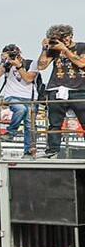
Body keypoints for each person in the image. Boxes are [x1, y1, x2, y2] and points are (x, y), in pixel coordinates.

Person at [38, 24, 85, 158]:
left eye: (63, 38)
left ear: (70, 36)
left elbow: (82, 64)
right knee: (54, 124)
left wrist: (64, 50)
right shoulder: (54, 50)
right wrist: (44, 49)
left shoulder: (82, 47)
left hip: (79, 89)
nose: (60, 41)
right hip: (56, 89)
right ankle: (52, 150)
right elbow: (41, 66)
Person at [0, 43, 40, 154]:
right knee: (20, 109)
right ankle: (11, 133)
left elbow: (28, 79)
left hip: (30, 97)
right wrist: (3, 62)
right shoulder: (6, 66)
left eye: (13, 54)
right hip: (12, 96)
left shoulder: (30, 63)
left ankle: (28, 151)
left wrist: (19, 66)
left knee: (30, 125)